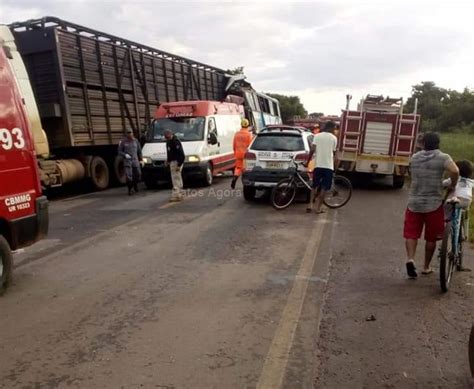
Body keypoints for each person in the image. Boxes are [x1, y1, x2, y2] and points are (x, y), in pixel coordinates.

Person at [404, 132, 459, 278]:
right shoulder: (443, 157)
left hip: (414, 202)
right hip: (433, 203)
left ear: (423, 143)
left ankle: (410, 259)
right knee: (431, 238)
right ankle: (426, 266)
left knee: (411, 234)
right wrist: (452, 184)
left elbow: (410, 173)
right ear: (438, 143)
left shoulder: (415, 157)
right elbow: (455, 170)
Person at [305, 121, 338, 214]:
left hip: (318, 165)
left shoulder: (317, 136)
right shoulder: (334, 138)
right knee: (324, 188)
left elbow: (312, 150)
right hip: (328, 167)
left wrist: (307, 162)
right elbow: (334, 153)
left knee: (314, 186)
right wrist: (335, 166)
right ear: (331, 128)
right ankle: (318, 208)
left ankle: (310, 205)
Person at [443, 160, 473, 256]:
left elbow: (442, 183)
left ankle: (446, 224)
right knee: (464, 212)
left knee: (446, 208)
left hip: (454, 201)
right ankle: (464, 233)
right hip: (466, 202)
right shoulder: (471, 181)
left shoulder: (453, 179)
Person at [118, 128, 142, 196]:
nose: (129, 134)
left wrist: (141, 159)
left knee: (138, 174)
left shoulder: (136, 141)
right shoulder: (123, 142)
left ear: (132, 133)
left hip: (135, 160)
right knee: (129, 176)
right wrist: (125, 155)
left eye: (130, 132)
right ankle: (130, 189)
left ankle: (135, 184)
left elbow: (139, 151)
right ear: (126, 134)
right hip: (127, 161)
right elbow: (119, 151)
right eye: (128, 133)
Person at [231, 118, 253, 189]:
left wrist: (235, 153)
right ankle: (245, 184)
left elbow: (234, 145)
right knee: (245, 169)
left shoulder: (237, 134)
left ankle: (235, 177)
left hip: (238, 154)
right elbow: (250, 146)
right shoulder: (249, 135)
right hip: (246, 155)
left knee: (238, 168)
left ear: (241, 125)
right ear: (247, 125)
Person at [164, 129, 185, 201]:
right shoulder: (168, 142)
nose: (167, 138)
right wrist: (168, 160)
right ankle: (180, 193)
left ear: (171, 134)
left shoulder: (176, 141)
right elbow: (169, 152)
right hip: (172, 162)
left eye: (168, 136)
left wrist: (179, 165)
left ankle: (176, 195)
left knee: (175, 178)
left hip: (177, 161)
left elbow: (181, 154)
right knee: (177, 177)